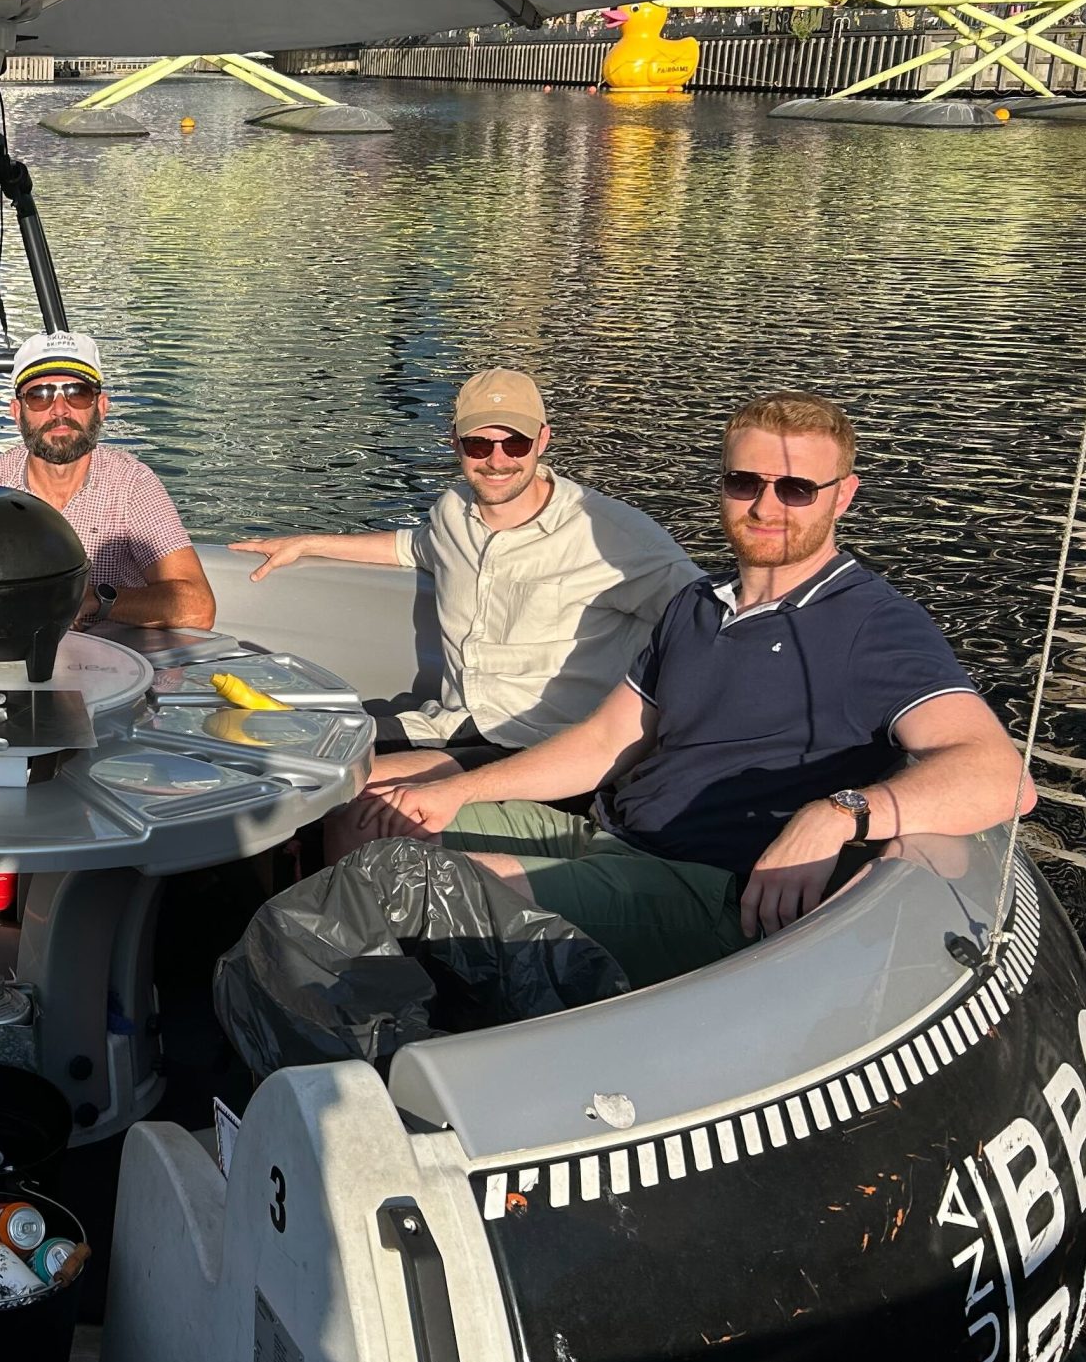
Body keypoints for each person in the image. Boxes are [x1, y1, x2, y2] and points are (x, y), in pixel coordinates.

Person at [354, 392, 1035, 989]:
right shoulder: (698, 603)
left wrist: (837, 814)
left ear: (843, 495)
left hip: (704, 889)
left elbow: (1002, 778)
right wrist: (453, 792)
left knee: (402, 882)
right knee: (368, 816)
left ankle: (372, 1061)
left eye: (796, 488)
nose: (765, 505)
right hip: (608, 837)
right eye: (745, 482)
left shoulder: (873, 625)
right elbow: (605, 742)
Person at [232, 368, 699, 804]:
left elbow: (704, 620)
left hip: (542, 748)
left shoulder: (614, 537)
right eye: (479, 444)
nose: (497, 460)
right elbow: (413, 547)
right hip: (449, 725)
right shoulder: (452, 513)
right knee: (279, 744)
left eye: (515, 443)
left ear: (542, 440)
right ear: (454, 442)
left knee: (340, 785)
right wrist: (309, 543)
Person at [0, 331, 215, 631]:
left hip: (113, 655)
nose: (59, 410)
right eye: (39, 396)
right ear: (17, 412)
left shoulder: (131, 484)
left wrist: (94, 600)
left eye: (77, 394)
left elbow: (198, 607)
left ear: (102, 407)